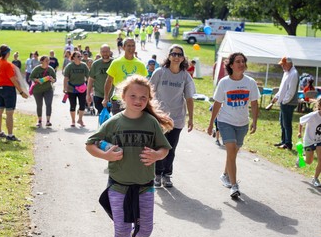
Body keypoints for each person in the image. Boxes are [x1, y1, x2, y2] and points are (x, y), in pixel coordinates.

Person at [85, 75, 173, 237]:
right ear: (123, 96)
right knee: (121, 231)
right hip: (118, 187)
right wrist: (106, 155)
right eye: (133, 95)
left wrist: (157, 155)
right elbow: (90, 144)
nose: (138, 100)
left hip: (145, 187)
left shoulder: (151, 122)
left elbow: (165, 149)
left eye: (143, 97)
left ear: (148, 99)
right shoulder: (113, 123)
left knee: (145, 231)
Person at [207, 52, 260, 198]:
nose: (241, 64)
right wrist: (211, 123)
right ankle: (234, 185)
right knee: (230, 150)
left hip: (242, 123)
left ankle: (225, 174)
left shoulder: (250, 82)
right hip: (226, 121)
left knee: (233, 153)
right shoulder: (224, 82)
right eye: (238, 61)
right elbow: (217, 103)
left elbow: (254, 103)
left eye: (243, 61)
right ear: (231, 65)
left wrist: (255, 121)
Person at [149, 44, 196, 187]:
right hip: (159, 117)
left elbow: (189, 98)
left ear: (183, 58)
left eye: (179, 55)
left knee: (171, 147)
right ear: (169, 56)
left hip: (177, 118)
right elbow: (150, 93)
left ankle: (167, 175)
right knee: (159, 147)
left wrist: (191, 118)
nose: (176, 57)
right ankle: (157, 175)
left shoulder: (185, 76)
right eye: (173, 54)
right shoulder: (159, 72)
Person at [0, 44, 28, 141]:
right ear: (7, 53)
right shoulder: (7, 65)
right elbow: (13, 80)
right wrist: (21, 92)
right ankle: (10, 135)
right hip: (8, 89)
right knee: (9, 112)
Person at [102, 38, 148, 115]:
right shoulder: (116, 62)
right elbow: (109, 81)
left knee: (132, 125)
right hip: (118, 100)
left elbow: (145, 84)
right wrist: (106, 97)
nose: (131, 48)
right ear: (123, 47)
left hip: (134, 101)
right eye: (128, 46)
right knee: (119, 125)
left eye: (133, 46)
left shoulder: (140, 64)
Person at [271, 56, 299, 150]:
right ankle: (284, 141)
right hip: (284, 102)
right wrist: (277, 97)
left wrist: (284, 101)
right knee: (282, 122)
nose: (282, 66)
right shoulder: (286, 72)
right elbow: (282, 88)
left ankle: (288, 143)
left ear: (289, 64)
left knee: (286, 123)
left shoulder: (294, 74)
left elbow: (291, 91)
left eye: (283, 64)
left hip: (288, 103)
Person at [298, 98, 321, 187]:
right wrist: (299, 132)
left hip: (319, 141)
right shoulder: (313, 115)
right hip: (309, 141)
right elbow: (301, 121)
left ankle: (315, 178)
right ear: (319, 106)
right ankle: (301, 158)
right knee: (308, 162)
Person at [63, 51, 90, 127]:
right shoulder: (69, 66)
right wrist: (65, 88)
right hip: (71, 89)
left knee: (82, 105)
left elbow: (88, 77)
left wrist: (90, 88)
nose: (80, 58)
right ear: (73, 57)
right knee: (73, 105)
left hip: (82, 88)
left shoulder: (84, 66)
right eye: (78, 56)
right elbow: (65, 78)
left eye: (80, 56)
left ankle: (80, 119)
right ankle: (73, 121)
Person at [30, 55, 57, 127]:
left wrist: (52, 79)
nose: (48, 62)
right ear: (41, 61)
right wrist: (37, 80)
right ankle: (39, 120)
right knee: (39, 105)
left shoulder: (51, 69)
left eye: (48, 60)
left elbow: (55, 80)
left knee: (48, 104)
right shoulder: (37, 69)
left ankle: (48, 121)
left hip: (48, 89)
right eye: (46, 61)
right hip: (37, 90)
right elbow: (31, 77)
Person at [86, 44, 113, 115]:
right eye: (103, 51)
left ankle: (105, 125)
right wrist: (88, 94)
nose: (105, 53)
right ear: (100, 52)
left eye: (107, 51)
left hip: (112, 95)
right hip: (99, 94)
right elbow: (91, 79)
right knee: (102, 114)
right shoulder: (96, 64)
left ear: (110, 52)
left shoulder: (114, 63)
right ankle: (103, 125)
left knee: (109, 115)